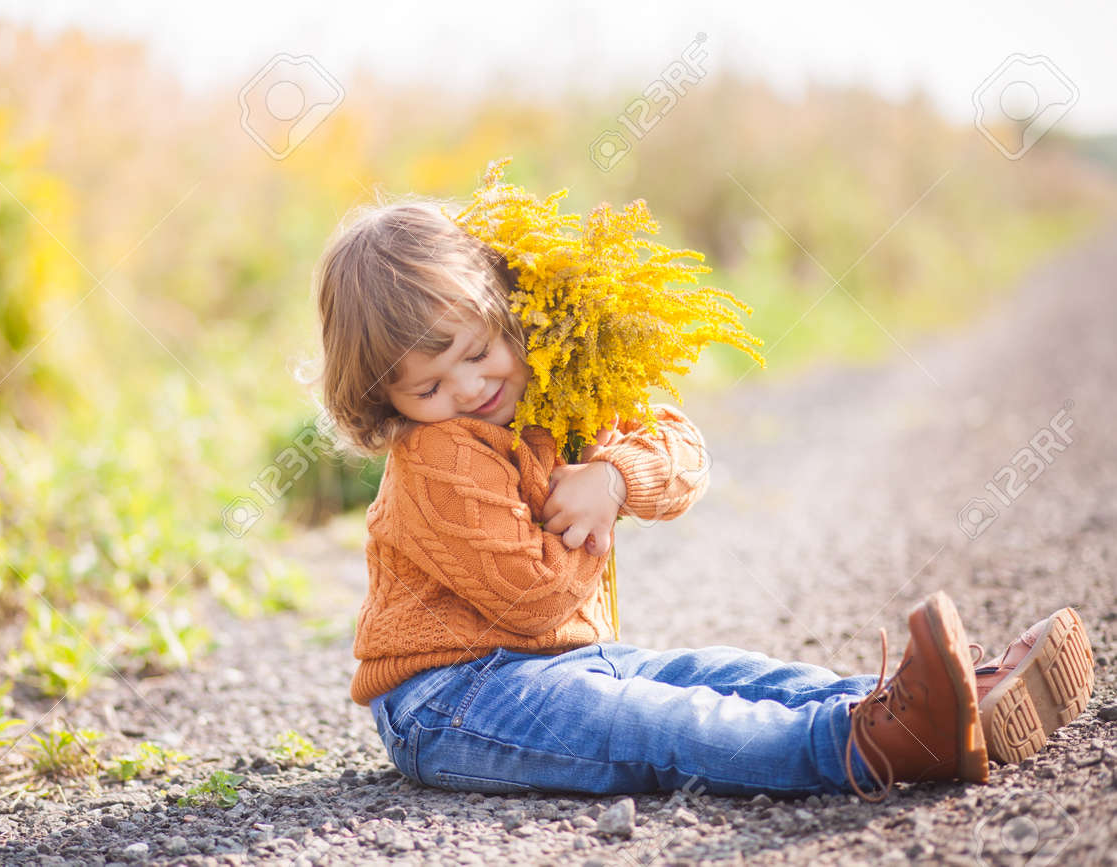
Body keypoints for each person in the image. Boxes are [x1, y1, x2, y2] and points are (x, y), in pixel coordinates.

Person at [310, 199, 1095, 800]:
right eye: (428, 385)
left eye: (479, 353)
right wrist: (595, 516)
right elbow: (533, 594)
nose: (469, 388)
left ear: (510, 316)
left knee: (720, 673)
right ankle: (864, 742)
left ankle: (917, 700)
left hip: (558, 661)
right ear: (387, 396)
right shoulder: (436, 452)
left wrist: (614, 477)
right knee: (657, 723)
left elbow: (682, 448)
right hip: (452, 699)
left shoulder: (554, 389)